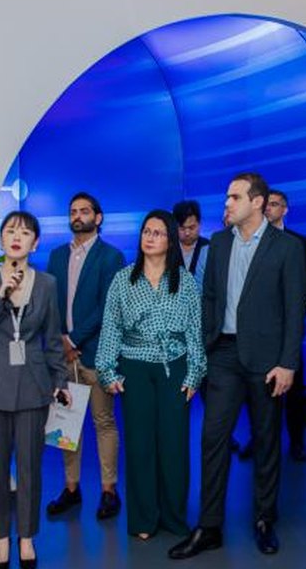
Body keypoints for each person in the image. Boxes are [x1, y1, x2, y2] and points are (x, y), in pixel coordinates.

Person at [168, 172, 306, 560]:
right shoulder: (220, 243)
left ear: (257, 202)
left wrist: (288, 363)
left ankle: (264, 519)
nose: (227, 203)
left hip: (267, 360)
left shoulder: (287, 247)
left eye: (235, 197)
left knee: (266, 440)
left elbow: (294, 309)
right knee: (213, 438)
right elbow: (210, 297)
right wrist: (207, 343)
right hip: (224, 355)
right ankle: (209, 526)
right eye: (227, 197)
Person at [95, 210, 206, 540]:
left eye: (158, 233)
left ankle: (173, 517)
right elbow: (111, 327)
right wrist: (107, 370)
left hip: (176, 368)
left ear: (170, 240)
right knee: (140, 444)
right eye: (146, 231)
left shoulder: (185, 281)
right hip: (135, 368)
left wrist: (195, 374)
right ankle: (143, 519)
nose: (150, 237)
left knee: (174, 445)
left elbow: (195, 330)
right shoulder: (123, 279)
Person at [0, 211, 70, 569]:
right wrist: (2, 294)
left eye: (25, 233)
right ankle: (0, 538)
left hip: (32, 385)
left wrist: (60, 380)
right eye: (10, 231)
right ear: (1, 239)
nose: (16, 237)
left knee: (29, 467)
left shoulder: (47, 284)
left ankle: (26, 537)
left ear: (35, 243)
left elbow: (53, 338)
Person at [44, 192, 126, 520]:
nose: (78, 216)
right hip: (64, 357)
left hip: (95, 354)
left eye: (84, 211)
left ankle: (109, 491)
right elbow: (50, 303)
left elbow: (108, 306)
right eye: (73, 211)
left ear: (98, 217)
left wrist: (74, 339)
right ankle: (71, 489)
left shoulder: (111, 257)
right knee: (66, 424)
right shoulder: (56, 256)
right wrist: (61, 341)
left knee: (103, 422)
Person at [263, 188, 306, 460]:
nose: (268, 208)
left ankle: (297, 441)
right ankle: (260, 442)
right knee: (260, 392)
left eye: (274, 204)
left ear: (285, 210)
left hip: (289, 328)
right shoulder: (250, 241)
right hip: (260, 329)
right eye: (266, 204)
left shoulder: (299, 242)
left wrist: (296, 317)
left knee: (295, 388)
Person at [174, 199, 210, 287]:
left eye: (191, 227)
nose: (187, 233)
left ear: (199, 224)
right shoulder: (168, 248)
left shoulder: (209, 247)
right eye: (182, 228)